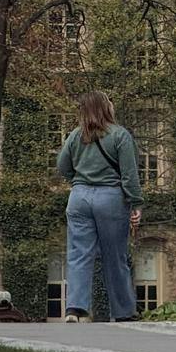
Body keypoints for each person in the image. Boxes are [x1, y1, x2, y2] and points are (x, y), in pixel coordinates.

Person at [54, 90, 144, 323]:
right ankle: (123, 311)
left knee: (78, 254)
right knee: (115, 256)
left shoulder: (75, 136)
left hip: (79, 197)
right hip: (111, 198)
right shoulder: (120, 135)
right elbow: (129, 175)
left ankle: (74, 308)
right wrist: (135, 203)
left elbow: (63, 166)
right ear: (106, 108)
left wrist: (80, 179)